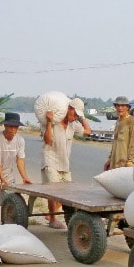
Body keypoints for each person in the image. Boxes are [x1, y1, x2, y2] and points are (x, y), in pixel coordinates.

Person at [41, 97, 91, 229]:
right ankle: (52, 219)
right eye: (74, 114)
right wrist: (49, 122)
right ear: (68, 109)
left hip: (64, 163)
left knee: (68, 193)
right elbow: (47, 140)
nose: (75, 117)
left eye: (77, 116)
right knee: (53, 191)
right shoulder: (54, 123)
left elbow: (88, 131)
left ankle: (54, 215)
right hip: (51, 160)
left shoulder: (73, 125)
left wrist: (81, 118)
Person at [0, 112, 32, 232]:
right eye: (10, 126)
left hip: (8, 173)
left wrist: (24, 177)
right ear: (5, 126)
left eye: (16, 127)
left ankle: (6, 224)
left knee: (8, 200)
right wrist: (1, 179)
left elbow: (20, 160)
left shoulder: (20, 141)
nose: (13, 129)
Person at [103, 96, 134, 171]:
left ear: (127, 107)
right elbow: (115, 143)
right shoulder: (118, 121)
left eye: (123, 106)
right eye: (118, 106)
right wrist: (110, 160)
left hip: (124, 163)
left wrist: (130, 162)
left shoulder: (132, 122)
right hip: (114, 162)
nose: (120, 108)